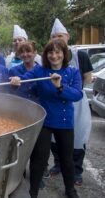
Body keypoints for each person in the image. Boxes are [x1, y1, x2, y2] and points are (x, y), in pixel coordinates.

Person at [10, 39, 83, 198]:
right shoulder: (40, 71)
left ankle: (70, 190)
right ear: (46, 54)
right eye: (50, 52)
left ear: (64, 54)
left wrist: (60, 87)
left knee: (66, 159)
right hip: (44, 120)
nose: (54, 56)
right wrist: (17, 81)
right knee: (39, 159)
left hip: (64, 121)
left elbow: (78, 94)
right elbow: (25, 79)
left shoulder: (73, 72)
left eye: (58, 52)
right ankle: (33, 191)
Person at [48, 18, 93, 186]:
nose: (57, 39)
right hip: (57, 101)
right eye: (54, 36)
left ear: (67, 37)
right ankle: (58, 164)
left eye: (60, 35)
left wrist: (72, 88)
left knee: (78, 136)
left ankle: (76, 171)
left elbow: (87, 78)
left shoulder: (80, 55)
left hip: (77, 102)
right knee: (55, 136)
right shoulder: (51, 55)